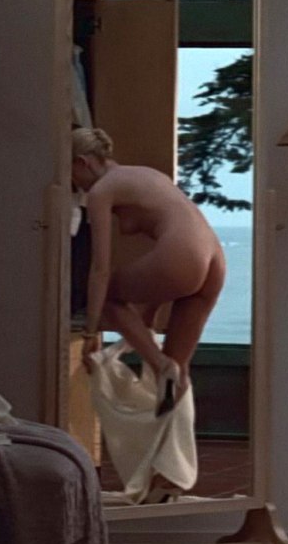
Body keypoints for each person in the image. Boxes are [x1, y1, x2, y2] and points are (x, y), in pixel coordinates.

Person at [72, 127, 225, 417]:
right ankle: (170, 445)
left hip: (184, 254)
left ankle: (160, 364)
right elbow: (164, 265)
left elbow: (100, 269)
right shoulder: (147, 175)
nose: (75, 185)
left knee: (108, 296)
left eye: (72, 176)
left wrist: (91, 330)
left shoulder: (102, 191)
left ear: (83, 162)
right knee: (178, 370)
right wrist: (148, 318)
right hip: (214, 257)